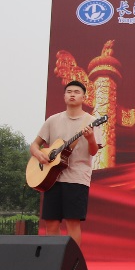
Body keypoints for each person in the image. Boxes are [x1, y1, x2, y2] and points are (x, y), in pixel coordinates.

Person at [29, 81, 102, 249]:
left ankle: (72, 261)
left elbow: (93, 151)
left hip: (77, 178)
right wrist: (39, 154)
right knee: (51, 222)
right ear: (64, 96)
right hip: (51, 178)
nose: (72, 94)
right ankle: (53, 259)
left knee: (72, 222)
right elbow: (34, 145)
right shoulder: (53, 120)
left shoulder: (91, 121)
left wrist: (90, 138)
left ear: (84, 97)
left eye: (76, 92)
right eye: (69, 91)